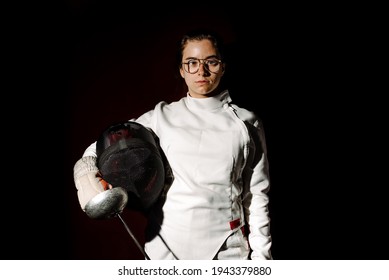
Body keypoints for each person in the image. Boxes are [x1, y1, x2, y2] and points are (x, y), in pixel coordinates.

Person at [73, 28, 272, 260]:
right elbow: (99, 147)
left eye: (211, 62)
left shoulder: (247, 122)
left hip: (228, 251)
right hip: (166, 251)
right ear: (182, 69)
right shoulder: (161, 117)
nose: (202, 70)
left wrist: (262, 259)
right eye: (192, 62)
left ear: (223, 66)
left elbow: (256, 195)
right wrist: (86, 176)